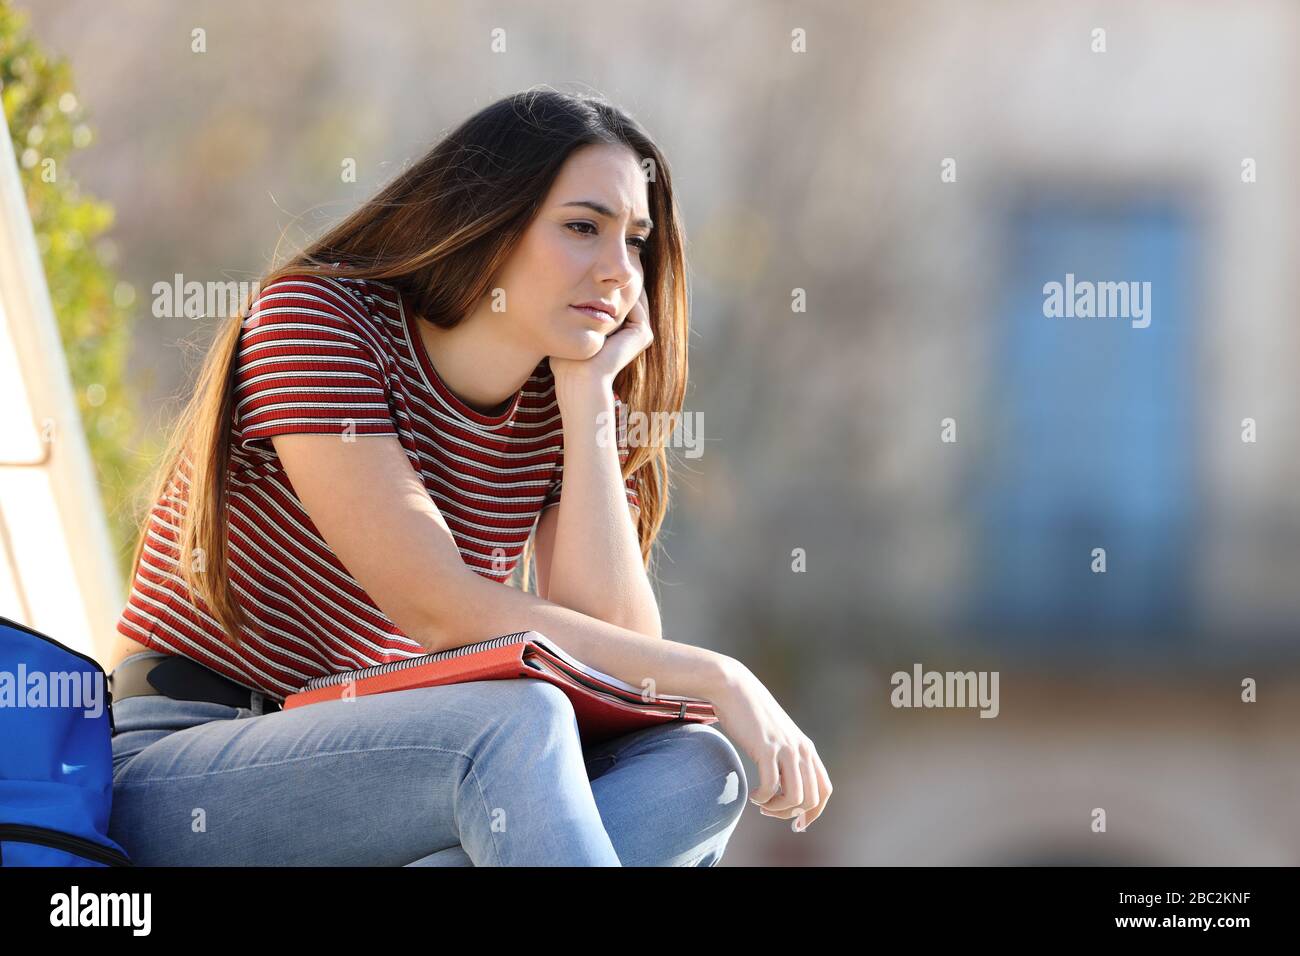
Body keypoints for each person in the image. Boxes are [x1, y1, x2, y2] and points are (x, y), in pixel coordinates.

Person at [104, 88, 832, 866]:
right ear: (488, 222)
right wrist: (719, 676)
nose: (620, 272)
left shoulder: (557, 403)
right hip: (193, 768)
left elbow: (615, 655)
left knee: (696, 769)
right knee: (518, 719)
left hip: (403, 785)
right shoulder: (319, 321)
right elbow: (440, 609)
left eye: (636, 242)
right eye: (583, 227)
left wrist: (587, 401)